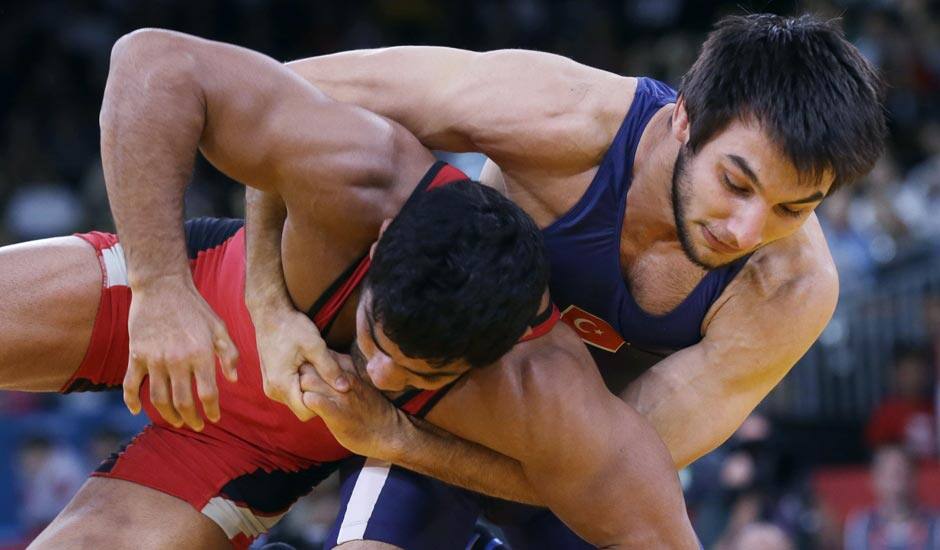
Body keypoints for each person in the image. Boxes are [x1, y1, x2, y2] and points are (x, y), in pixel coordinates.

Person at [193, 12, 883, 549]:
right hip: (460, 399)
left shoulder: (789, 288)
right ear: (685, 119)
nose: (746, 229)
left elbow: (616, 470)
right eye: (735, 181)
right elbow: (280, 96)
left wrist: (397, 440)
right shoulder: (563, 116)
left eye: (794, 210)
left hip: (582, 471)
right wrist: (268, 304)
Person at [2, 29, 695, 549]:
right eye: (376, 337)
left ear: (500, 350)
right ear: (384, 238)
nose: (378, 372)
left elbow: (622, 511)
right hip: (198, 287)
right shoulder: (367, 174)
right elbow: (153, 61)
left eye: (419, 375)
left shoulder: (537, 382)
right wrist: (164, 290)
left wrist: (399, 437)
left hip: (250, 451)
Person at [843, 445, 940, 550]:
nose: (896, 479)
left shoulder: (935, 525)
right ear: (874, 479)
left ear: (915, 476)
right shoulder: (860, 525)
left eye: (902, 471)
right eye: (889, 473)